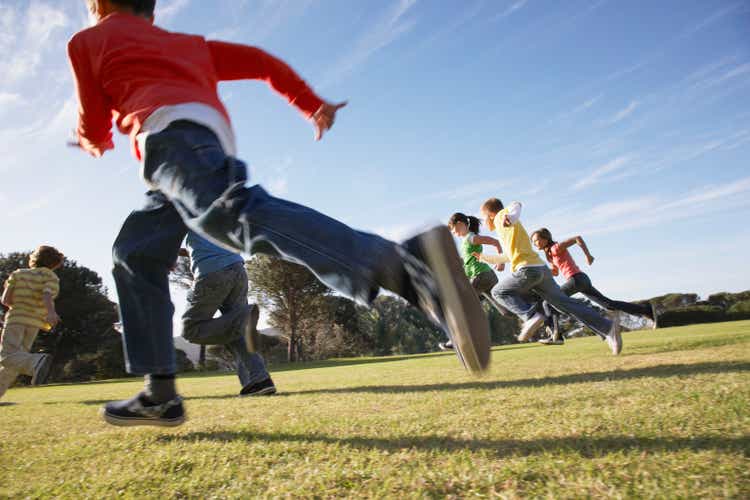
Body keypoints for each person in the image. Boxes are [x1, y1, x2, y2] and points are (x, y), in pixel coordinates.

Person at [69, 0, 489, 427]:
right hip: (192, 148)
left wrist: (92, 139)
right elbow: (260, 62)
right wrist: (309, 103)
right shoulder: (183, 44)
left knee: (232, 218)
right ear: (151, 12)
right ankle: (159, 392)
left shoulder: (88, 40)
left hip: (169, 141)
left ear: (98, 5)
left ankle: (402, 265)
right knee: (135, 253)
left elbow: (93, 117)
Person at [475, 198, 623, 355]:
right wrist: (484, 257)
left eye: (483, 218)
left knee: (498, 291)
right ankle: (608, 328)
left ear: (490, 214)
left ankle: (530, 316)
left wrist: (510, 216)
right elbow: (507, 256)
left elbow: (516, 204)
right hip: (541, 270)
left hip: (527, 270)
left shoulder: (501, 218)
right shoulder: (507, 230)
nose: (484, 222)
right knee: (565, 303)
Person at [181, 229, 275, 397]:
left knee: (191, 330)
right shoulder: (216, 219)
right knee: (236, 332)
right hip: (238, 270)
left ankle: (243, 316)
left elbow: (167, 246)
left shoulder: (184, 216)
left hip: (211, 273)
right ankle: (259, 381)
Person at [531, 228, 658, 328]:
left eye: (537, 240)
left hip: (576, 279)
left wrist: (588, 255)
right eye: (534, 242)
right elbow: (555, 272)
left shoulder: (556, 247)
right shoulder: (550, 255)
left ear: (546, 238)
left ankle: (555, 332)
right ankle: (645, 309)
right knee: (609, 305)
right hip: (581, 281)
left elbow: (577, 238)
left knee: (549, 301)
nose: (535, 243)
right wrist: (540, 269)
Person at [0, 246, 63, 400]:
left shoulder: (18, 274)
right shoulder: (51, 278)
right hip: (34, 323)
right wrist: (50, 312)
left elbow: (5, 300)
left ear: (34, 259)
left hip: (16, 319)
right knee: (15, 360)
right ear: (55, 264)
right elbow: (47, 294)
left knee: (6, 357)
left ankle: (35, 362)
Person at [440, 212, 507, 351]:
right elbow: (467, 262)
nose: (455, 233)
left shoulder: (470, 237)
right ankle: (533, 313)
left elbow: (495, 242)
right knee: (505, 310)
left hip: (480, 276)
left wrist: (501, 261)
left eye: (454, 230)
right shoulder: (466, 241)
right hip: (487, 276)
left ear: (460, 224)